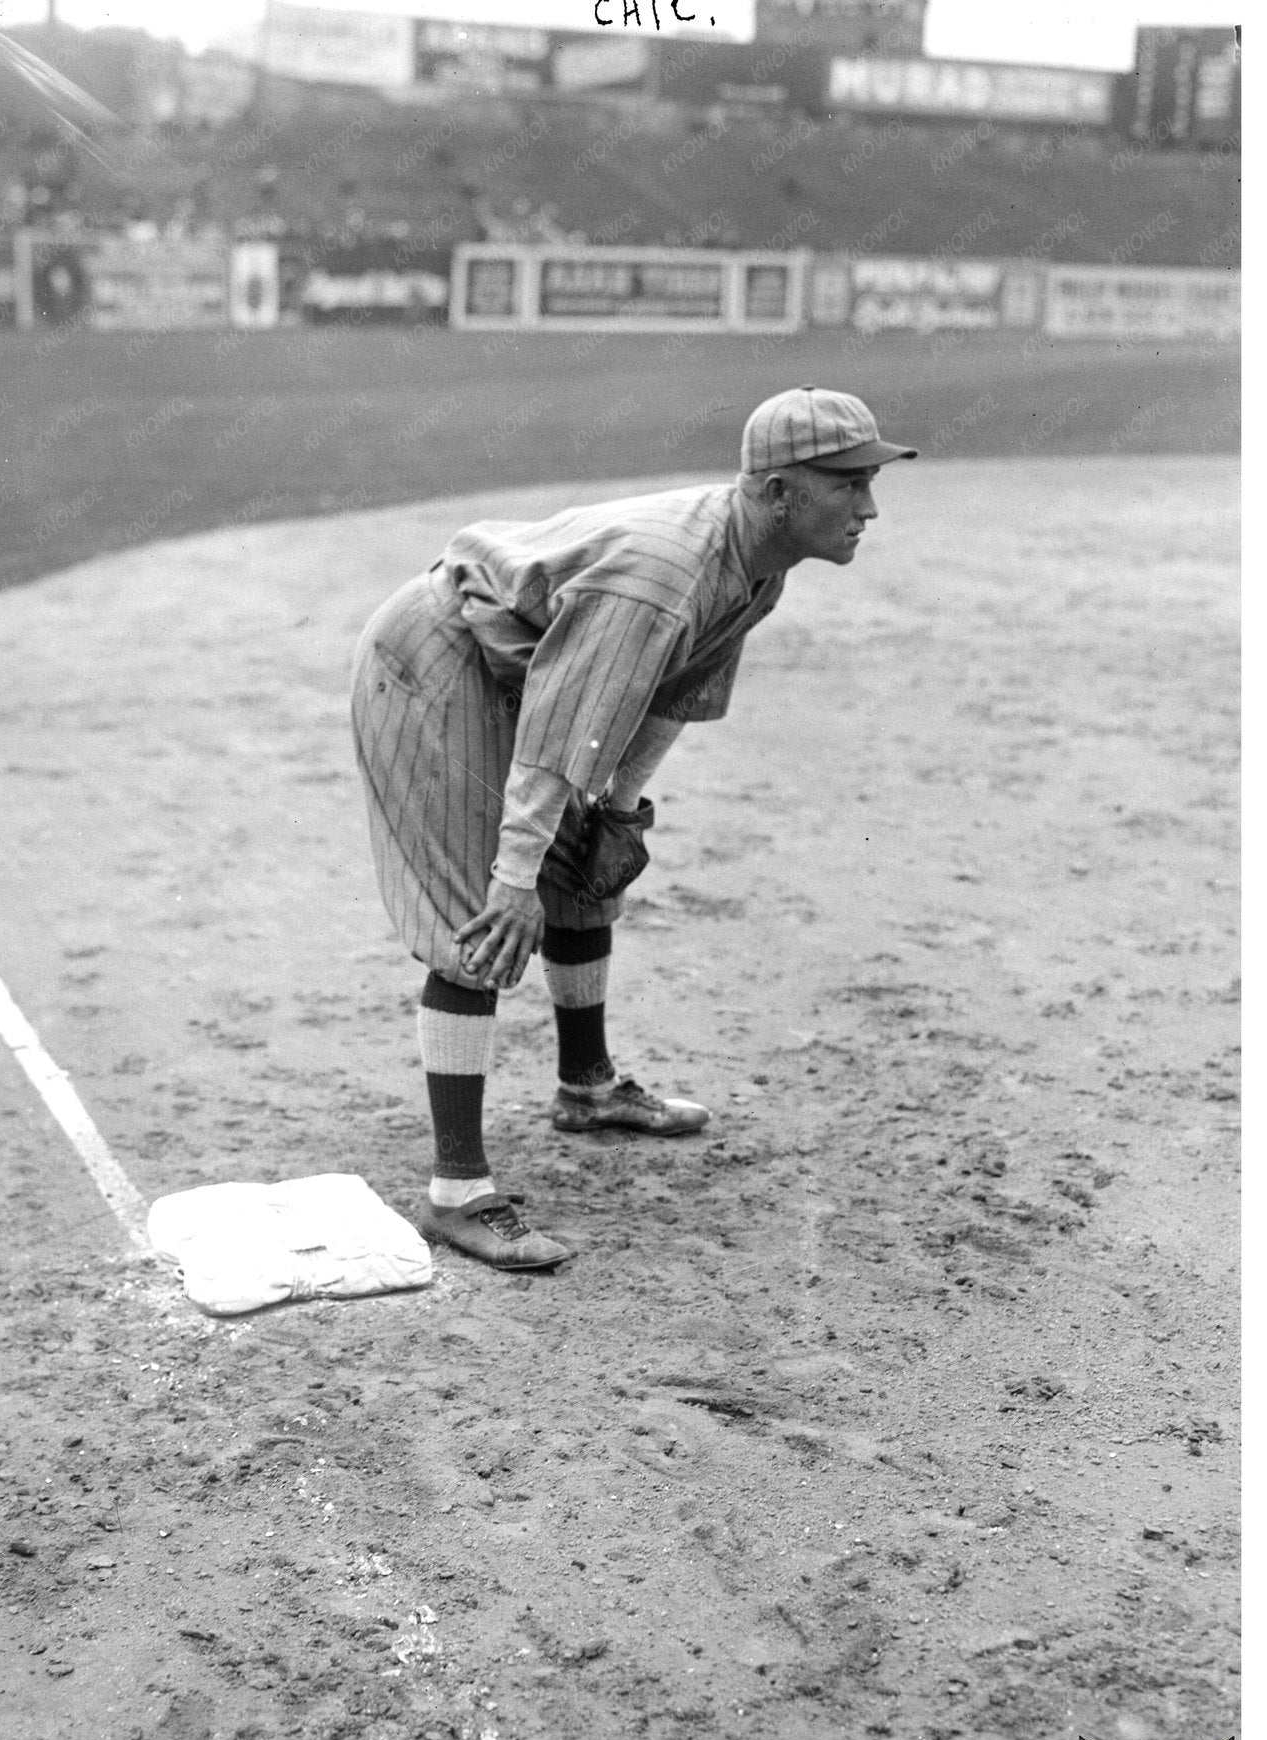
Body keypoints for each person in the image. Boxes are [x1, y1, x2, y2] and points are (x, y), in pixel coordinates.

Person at [350, 386, 916, 1271]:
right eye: (848, 484)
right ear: (778, 493)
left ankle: (587, 1088)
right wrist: (515, 878)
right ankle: (457, 1191)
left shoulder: (759, 565)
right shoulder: (664, 579)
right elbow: (558, 734)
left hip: (526, 671)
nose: (869, 506)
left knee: (586, 864)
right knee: (484, 917)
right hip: (441, 664)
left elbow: (669, 698)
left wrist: (614, 811)